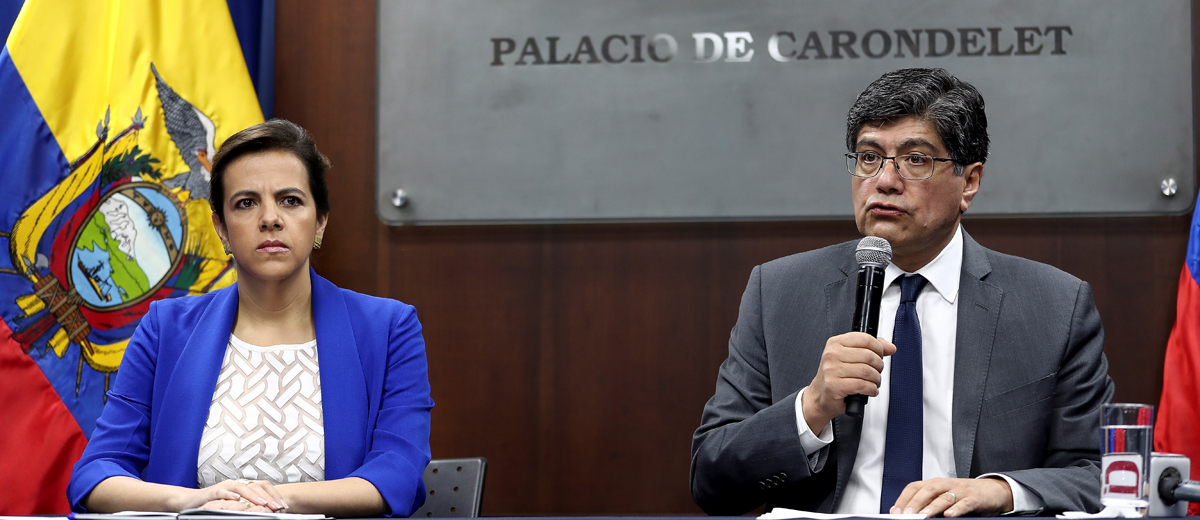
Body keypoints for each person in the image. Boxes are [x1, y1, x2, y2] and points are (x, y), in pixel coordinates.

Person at [690, 68, 1113, 517]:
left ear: (969, 181)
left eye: (915, 159)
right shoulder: (779, 293)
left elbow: (1100, 474)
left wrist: (1000, 491)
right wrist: (811, 408)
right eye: (870, 157)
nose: (885, 180)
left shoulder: (1054, 306)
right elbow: (711, 480)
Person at [67, 119, 433, 517]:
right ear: (221, 228)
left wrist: (271, 501)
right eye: (246, 203)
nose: (270, 218)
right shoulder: (165, 328)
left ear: (320, 220)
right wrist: (192, 501)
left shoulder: (389, 329)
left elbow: (397, 475)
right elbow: (97, 475)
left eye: (290, 200)